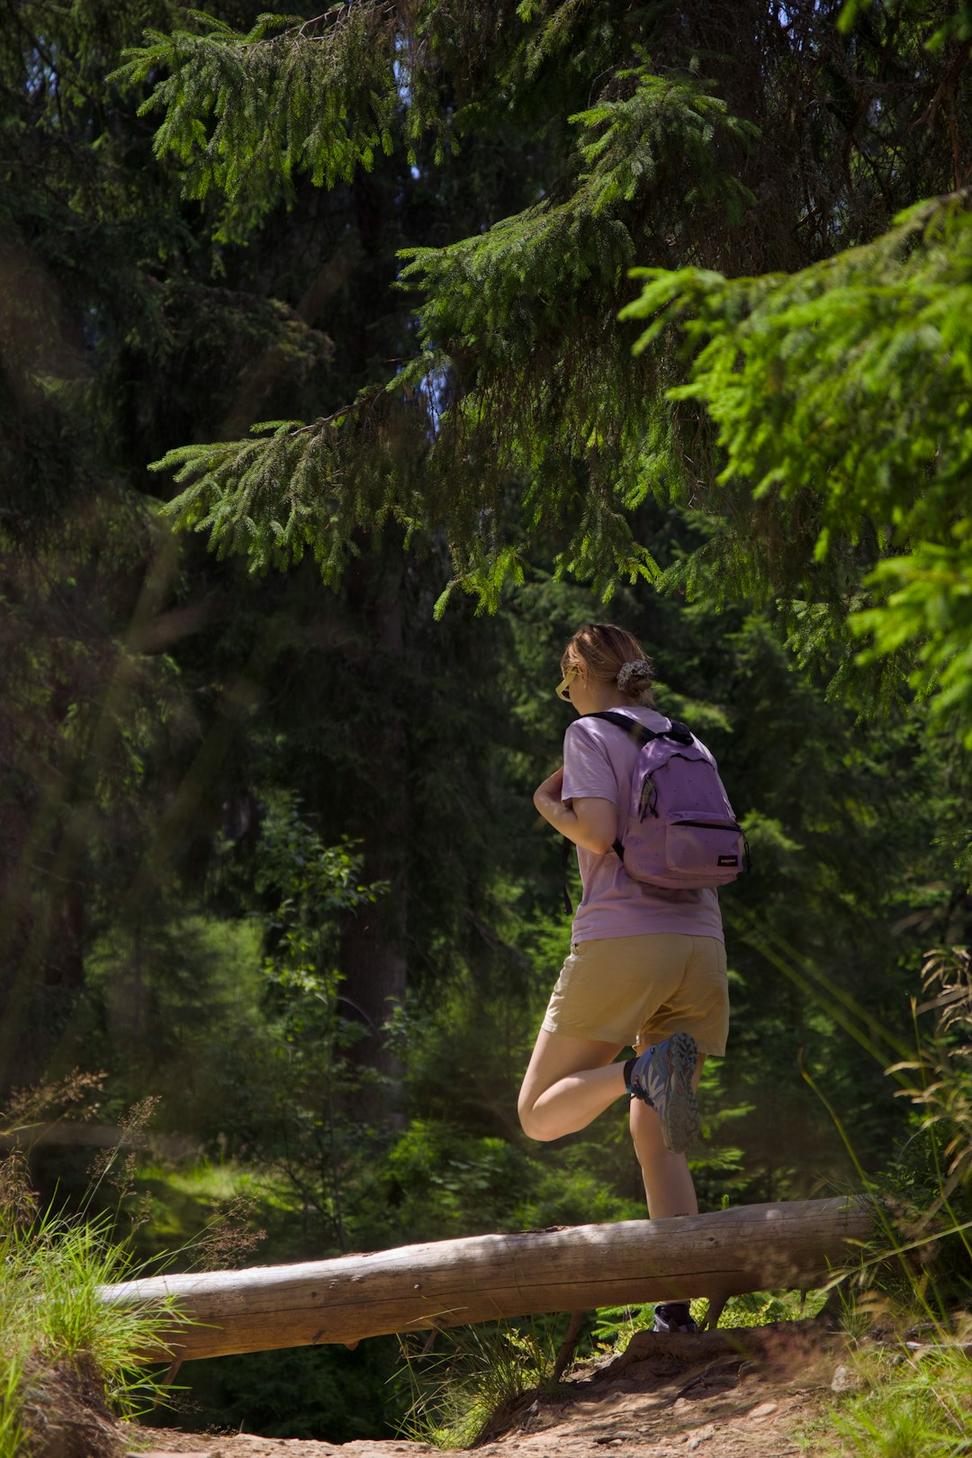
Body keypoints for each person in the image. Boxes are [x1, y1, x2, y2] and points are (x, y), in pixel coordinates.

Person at [518, 622, 730, 1336]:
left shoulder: (590, 735)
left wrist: (547, 807)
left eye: (564, 676)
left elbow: (599, 833)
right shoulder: (685, 738)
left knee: (540, 1112)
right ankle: (678, 1307)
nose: (563, 691)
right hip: (700, 944)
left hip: (624, 941)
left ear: (583, 671)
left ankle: (642, 1070)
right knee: (662, 1136)